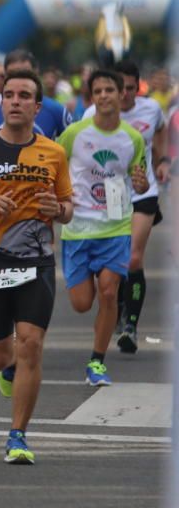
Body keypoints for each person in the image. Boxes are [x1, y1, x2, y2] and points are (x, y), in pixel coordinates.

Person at [0, 68, 74, 464]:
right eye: (9, 95)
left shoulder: (54, 153)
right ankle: (7, 371)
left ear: (38, 107)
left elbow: (68, 209)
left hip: (36, 262)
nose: (16, 101)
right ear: (0, 101)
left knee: (32, 345)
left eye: (25, 96)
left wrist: (59, 209)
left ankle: (18, 435)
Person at [60, 69, 149, 386]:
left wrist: (140, 183)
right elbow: (57, 165)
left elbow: (139, 178)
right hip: (79, 229)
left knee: (109, 293)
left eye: (109, 90)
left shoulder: (132, 138)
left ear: (121, 94)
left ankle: (96, 362)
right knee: (82, 303)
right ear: (91, 96)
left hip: (116, 227)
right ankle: (101, 324)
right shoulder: (75, 134)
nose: (103, 96)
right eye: (97, 91)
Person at [82, 60, 170, 354]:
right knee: (115, 262)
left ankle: (130, 325)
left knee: (133, 258)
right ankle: (116, 307)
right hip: (107, 193)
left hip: (143, 190)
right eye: (121, 89)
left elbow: (161, 130)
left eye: (131, 89)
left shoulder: (150, 109)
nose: (125, 95)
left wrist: (162, 160)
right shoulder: (91, 114)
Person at [0, 49, 72, 141]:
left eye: (25, 73)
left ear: (36, 73)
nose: (19, 79)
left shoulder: (57, 111)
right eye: (13, 74)